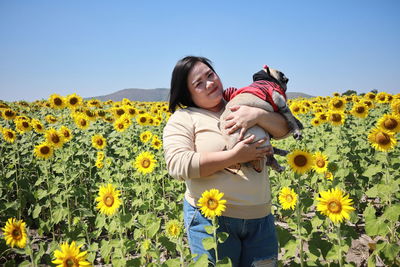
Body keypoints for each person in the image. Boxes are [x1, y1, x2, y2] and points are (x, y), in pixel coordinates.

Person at [163, 56, 290, 267]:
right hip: (211, 220)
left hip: (260, 218)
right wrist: (235, 157)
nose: (210, 83)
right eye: (199, 83)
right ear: (187, 93)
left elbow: (284, 129)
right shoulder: (185, 118)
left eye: (210, 75)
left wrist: (257, 114)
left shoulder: (242, 103)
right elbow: (178, 165)